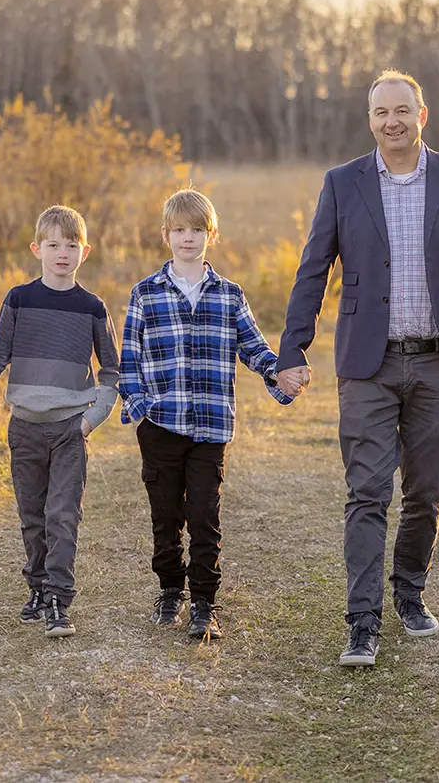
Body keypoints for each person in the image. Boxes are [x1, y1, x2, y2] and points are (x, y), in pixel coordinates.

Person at [277, 70, 439, 667]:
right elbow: (313, 269)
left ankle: (409, 591)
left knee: (425, 491)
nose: (391, 121)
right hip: (367, 366)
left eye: (402, 110)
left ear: (422, 115)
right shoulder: (343, 183)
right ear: (369, 120)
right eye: (380, 113)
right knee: (366, 491)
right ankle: (362, 621)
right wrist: (291, 350)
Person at [119, 189, 295, 641]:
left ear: (210, 235)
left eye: (197, 230)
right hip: (160, 426)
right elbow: (130, 360)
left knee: (203, 516)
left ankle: (203, 604)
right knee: (166, 517)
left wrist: (281, 375)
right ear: (166, 235)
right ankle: (170, 591)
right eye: (179, 230)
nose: (187, 238)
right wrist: (140, 409)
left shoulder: (230, 296)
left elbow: (254, 348)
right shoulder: (146, 294)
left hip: (210, 427)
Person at [0, 205, 119, 637]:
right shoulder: (19, 299)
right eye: (53, 244)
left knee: (62, 516)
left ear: (84, 252)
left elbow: (111, 371)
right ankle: (35, 587)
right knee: (32, 516)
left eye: (72, 245)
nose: (62, 253)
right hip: (25, 428)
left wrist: (91, 420)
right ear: (37, 249)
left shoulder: (92, 307)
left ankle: (58, 600)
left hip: (71, 429)